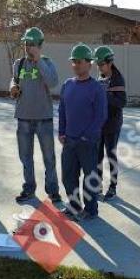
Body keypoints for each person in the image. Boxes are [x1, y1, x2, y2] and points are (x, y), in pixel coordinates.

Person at [10, 27, 61, 203]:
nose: (28, 47)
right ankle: (29, 188)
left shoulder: (47, 62)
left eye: (31, 44)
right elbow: (15, 80)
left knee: (49, 158)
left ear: (39, 45)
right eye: (26, 43)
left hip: (43, 118)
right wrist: (12, 87)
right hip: (23, 117)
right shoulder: (19, 63)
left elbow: (53, 82)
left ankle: (53, 190)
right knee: (25, 157)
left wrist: (38, 59)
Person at [58, 43, 107, 221]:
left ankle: (91, 210)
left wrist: (87, 136)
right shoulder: (67, 85)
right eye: (73, 62)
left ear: (89, 63)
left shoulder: (97, 88)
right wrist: (61, 131)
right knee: (68, 177)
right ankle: (73, 206)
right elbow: (62, 110)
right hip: (69, 141)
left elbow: (100, 116)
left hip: (88, 142)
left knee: (89, 179)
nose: (76, 65)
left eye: (79, 62)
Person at [93, 46, 127, 201]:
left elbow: (122, 102)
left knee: (111, 155)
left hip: (113, 124)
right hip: (99, 124)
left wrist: (104, 95)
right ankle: (98, 185)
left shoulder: (118, 79)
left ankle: (112, 187)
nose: (99, 67)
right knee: (97, 156)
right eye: (98, 65)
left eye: (101, 64)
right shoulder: (100, 78)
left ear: (110, 62)